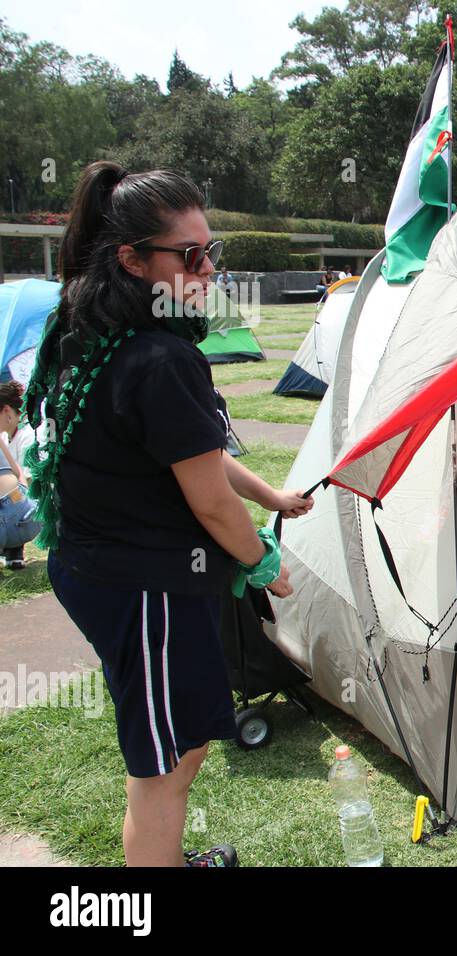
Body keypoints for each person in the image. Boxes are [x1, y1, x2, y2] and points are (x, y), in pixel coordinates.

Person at [24, 160, 314, 867]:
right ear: (130, 259)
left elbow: (195, 452)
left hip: (106, 570)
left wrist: (271, 499)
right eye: (190, 255)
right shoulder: (159, 357)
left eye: (211, 250)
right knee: (165, 766)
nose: (208, 268)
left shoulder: (90, 332)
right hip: (140, 584)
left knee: (175, 748)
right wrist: (261, 560)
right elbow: (209, 500)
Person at [0, 380, 40, 570]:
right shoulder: (4, 438)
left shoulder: (29, 434)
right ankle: (14, 552)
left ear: (6, 410)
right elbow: (18, 473)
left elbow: (29, 479)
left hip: (23, 511)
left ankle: (12, 547)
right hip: (25, 511)